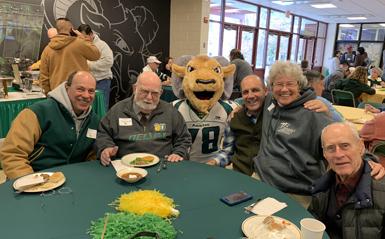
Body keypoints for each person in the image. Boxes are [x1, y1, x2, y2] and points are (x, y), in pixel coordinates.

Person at [253, 61, 334, 207]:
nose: (284, 89)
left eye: (290, 84)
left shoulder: (314, 113)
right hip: (261, 179)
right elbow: (249, 99)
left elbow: (342, 138)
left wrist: (369, 161)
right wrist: (234, 108)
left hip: (296, 191)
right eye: (279, 84)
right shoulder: (270, 102)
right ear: (271, 87)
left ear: (299, 85)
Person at [0, 71, 100, 179]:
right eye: (80, 89)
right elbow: (13, 154)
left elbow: (92, 157)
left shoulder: (94, 121)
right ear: (67, 88)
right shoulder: (38, 113)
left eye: (91, 91)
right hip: (34, 179)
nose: (86, 95)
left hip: (72, 182)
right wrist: (31, 183)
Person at [96, 71, 191, 166]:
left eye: (154, 93)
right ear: (135, 89)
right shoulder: (118, 110)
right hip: (125, 167)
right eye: (145, 91)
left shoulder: (170, 112)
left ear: (161, 93)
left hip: (163, 166)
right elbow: (103, 134)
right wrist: (105, 147)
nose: (149, 97)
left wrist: (178, 153)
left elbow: (184, 138)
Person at [308, 122, 385, 239]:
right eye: (331, 148)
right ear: (324, 154)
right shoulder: (321, 187)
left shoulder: (381, 191)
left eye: (345, 145)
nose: (338, 154)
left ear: (360, 146)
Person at [207, 75, 266, 175]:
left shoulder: (275, 116)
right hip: (241, 174)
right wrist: (214, 162)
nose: (250, 96)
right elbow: (228, 151)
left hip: (266, 178)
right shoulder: (234, 118)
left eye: (255, 90)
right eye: (245, 92)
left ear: (266, 91)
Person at [39, 17, 100, 94]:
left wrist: (48, 94)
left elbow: (44, 77)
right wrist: (82, 37)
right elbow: (96, 55)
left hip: (57, 93)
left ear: (57, 29)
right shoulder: (79, 43)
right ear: (71, 29)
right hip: (78, 92)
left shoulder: (47, 49)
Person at [77, 24, 113, 109]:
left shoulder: (102, 45)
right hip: (87, 82)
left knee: (101, 108)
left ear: (91, 34)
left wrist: (88, 65)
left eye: (85, 36)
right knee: (88, 108)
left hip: (102, 81)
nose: (83, 39)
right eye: (81, 37)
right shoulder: (81, 45)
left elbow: (108, 62)